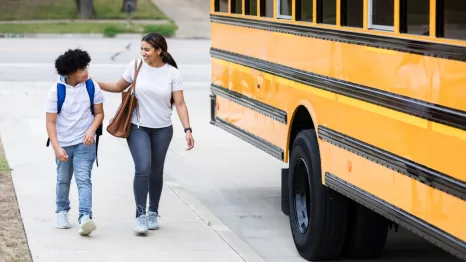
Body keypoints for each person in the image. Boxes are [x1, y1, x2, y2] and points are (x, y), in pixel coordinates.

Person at [97, 32, 195, 236]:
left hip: (162, 129)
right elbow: (117, 87)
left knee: (156, 172)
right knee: (142, 168)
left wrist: (188, 129)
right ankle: (140, 216)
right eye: (142, 49)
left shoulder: (172, 74)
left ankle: (153, 212)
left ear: (159, 50)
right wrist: (93, 82)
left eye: (147, 50)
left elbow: (180, 103)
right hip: (138, 127)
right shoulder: (135, 66)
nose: (143, 53)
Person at [45, 49, 104, 236]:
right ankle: (62, 211)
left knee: (83, 179)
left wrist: (91, 130)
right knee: (63, 180)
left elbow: (100, 113)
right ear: (70, 72)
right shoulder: (56, 90)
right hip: (63, 143)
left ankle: (85, 217)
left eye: (86, 67)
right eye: (81, 69)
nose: (86, 71)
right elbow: (50, 121)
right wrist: (56, 147)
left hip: (85, 143)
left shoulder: (92, 86)